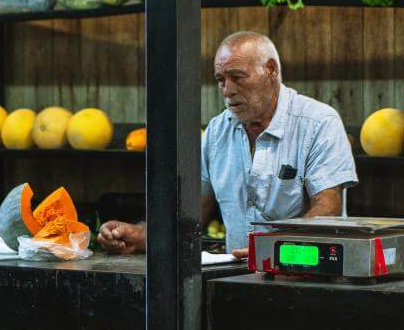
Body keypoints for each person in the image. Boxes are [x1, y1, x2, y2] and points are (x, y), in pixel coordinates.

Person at [98, 31, 357, 257]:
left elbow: (327, 213)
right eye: (220, 79)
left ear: (271, 70)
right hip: (236, 279)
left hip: (303, 276)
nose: (227, 90)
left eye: (237, 76)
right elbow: (191, 214)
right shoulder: (217, 131)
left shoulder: (317, 123)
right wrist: (140, 235)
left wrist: (269, 250)